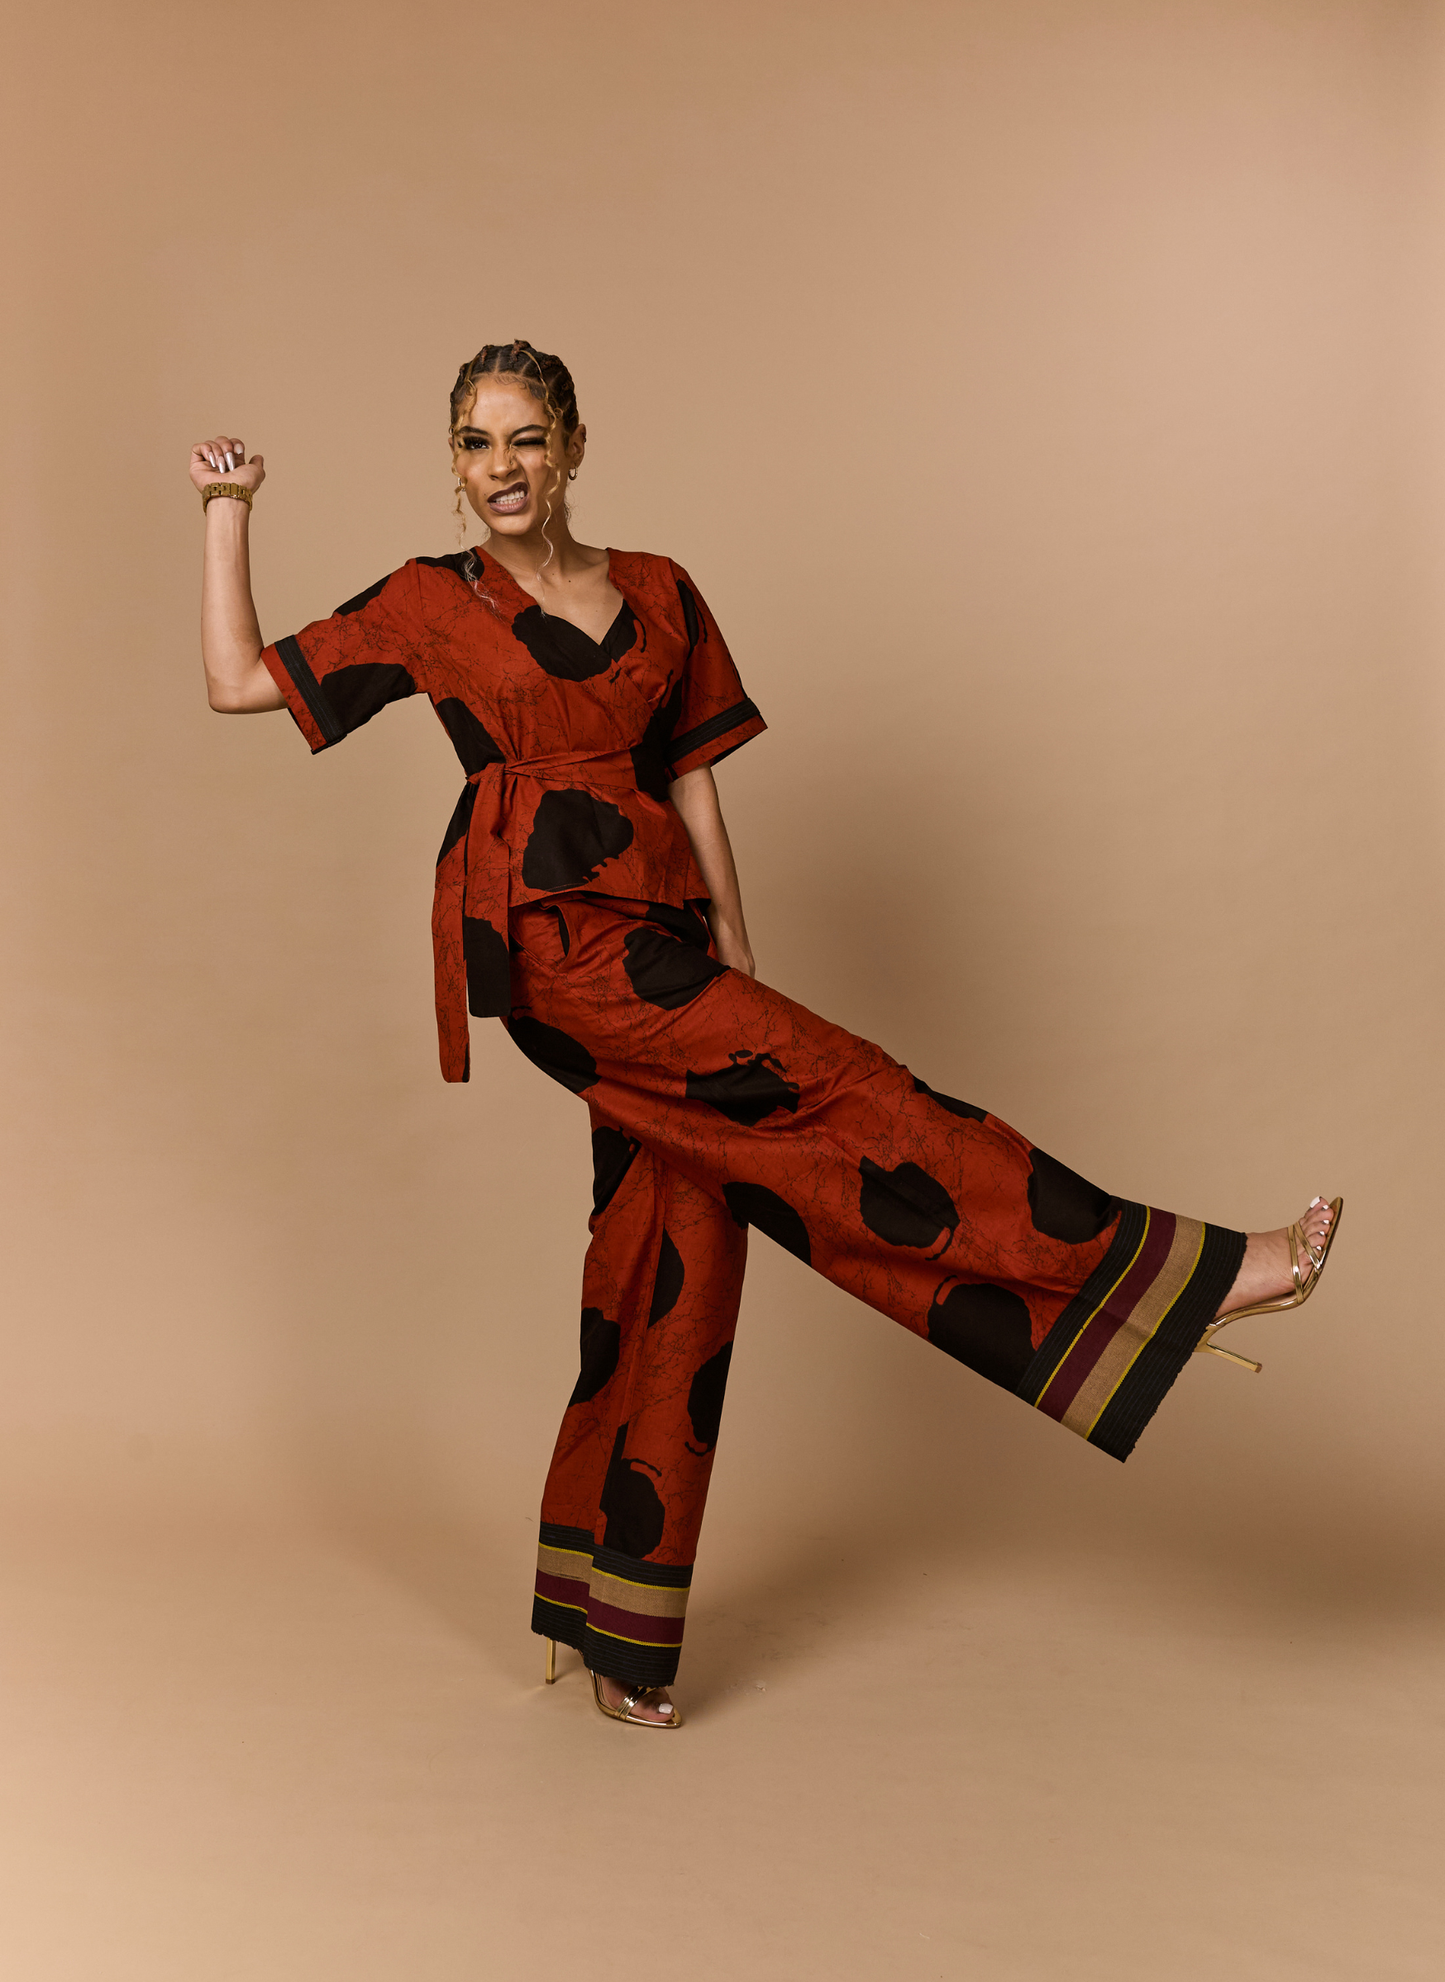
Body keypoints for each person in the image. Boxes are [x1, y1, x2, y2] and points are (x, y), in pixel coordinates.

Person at [189, 340, 1341, 1731]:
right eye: (477, 444)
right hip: (552, 940)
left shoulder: (662, 590)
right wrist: (230, 506)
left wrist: (736, 954)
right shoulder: (432, 602)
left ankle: (618, 1623)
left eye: (527, 439)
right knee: (858, 1095)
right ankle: (1175, 1275)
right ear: (453, 463)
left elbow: (694, 783)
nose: (503, 468)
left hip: (668, 937)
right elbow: (238, 679)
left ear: (571, 447)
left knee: (677, 1246)